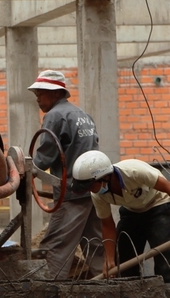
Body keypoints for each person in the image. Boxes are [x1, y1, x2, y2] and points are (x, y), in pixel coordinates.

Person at [27, 69, 104, 279]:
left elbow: (45, 155)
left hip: (71, 194)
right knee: (96, 245)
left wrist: (26, 170)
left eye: (40, 94)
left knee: (55, 247)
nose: (38, 100)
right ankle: (109, 293)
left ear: (55, 94)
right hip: (92, 192)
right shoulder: (83, 115)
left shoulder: (55, 116)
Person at [71, 150, 170, 282]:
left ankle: (166, 297)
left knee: (164, 260)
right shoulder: (97, 194)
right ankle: (132, 297)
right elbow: (107, 224)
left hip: (158, 205)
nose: (89, 190)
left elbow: (167, 187)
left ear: (105, 177)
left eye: (90, 185)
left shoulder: (135, 171)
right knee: (124, 261)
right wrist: (109, 259)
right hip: (132, 211)